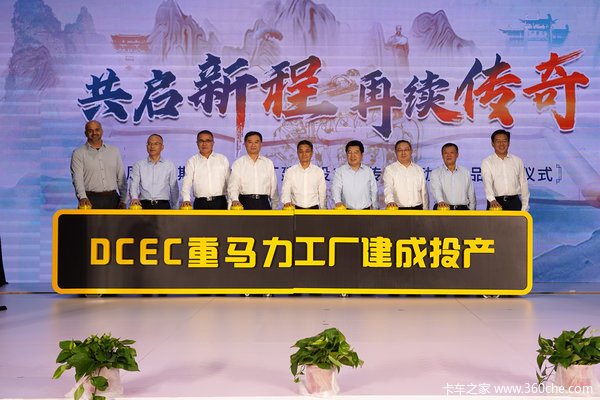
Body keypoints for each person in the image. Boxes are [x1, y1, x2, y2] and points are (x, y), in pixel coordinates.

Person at [70, 120, 127, 209]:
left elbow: (121, 176)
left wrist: (123, 200)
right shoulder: (78, 153)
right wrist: (82, 197)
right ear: (85, 133)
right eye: (90, 131)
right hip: (89, 200)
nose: (94, 133)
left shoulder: (114, 150)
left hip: (113, 199)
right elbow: (77, 179)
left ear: (102, 131)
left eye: (97, 130)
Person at [481, 129, 530, 211]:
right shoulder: (487, 162)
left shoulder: (517, 161)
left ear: (509, 143)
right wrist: (491, 199)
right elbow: (487, 182)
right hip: (495, 203)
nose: (501, 144)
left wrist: (525, 206)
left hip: (514, 202)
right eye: (498, 141)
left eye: (504, 141)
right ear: (492, 144)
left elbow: (523, 184)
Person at [229, 131, 279, 210]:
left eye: (256, 142)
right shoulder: (238, 163)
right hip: (244, 203)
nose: (253, 145)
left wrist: (275, 208)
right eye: (250, 142)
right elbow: (233, 186)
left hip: (263, 203)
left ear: (261, 144)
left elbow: (274, 189)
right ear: (245, 144)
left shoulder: (268, 163)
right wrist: (235, 199)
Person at [181, 130, 229, 210]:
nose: (204, 144)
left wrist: (231, 200)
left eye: (208, 141)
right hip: (200, 203)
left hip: (220, 202)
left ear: (213, 143)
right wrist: (186, 199)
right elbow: (187, 182)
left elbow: (229, 182)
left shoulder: (222, 159)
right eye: (201, 141)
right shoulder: (192, 161)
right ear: (197, 143)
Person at [129, 134, 179, 209]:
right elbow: (134, 184)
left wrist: (175, 208)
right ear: (146, 146)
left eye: (156, 144)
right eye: (149, 143)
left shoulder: (169, 165)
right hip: (144, 205)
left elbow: (174, 189)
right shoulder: (138, 165)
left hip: (163, 205)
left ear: (162, 147)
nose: (152, 146)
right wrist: (134, 198)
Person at [332, 140, 378, 210]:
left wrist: (376, 209)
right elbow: (336, 188)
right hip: (346, 211)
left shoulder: (368, 171)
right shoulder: (340, 171)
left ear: (362, 154)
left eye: (356, 152)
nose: (352, 156)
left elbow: (374, 191)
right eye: (349, 152)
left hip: (365, 211)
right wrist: (338, 201)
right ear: (346, 154)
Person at [383, 140, 429, 210]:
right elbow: (388, 188)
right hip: (398, 209)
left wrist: (426, 210)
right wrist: (390, 201)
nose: (403, 153)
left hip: (417, 209)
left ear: (411, 151)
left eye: (406, 150)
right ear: (395, 152)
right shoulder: (390, 169)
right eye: (400, 150)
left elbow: (424, 192)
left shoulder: (419, 169)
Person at [281, 140, 326, 209]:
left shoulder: (318, 171)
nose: (304, 154)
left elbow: (322, 193)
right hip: (295, 209)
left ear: (312, 153)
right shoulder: (290, 171)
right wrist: (287, 201)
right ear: (297, 153)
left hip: (314, 209)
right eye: (301, 151)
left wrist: (323, 209)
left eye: (307, 151)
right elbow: (285, 190)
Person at [430, 143, 476, 210]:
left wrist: (471, 211)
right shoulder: (435, 173)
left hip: (462, 210)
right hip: (442, 210)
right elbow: (436, 190)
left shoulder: (465, 172)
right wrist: (441, 201)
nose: (448, 155)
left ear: (457, 155)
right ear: (442, 155)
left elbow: (471, 194)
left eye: (451, 152)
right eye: (445, 153)